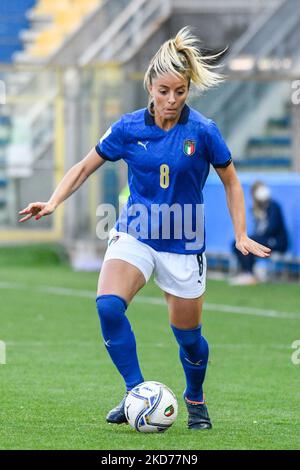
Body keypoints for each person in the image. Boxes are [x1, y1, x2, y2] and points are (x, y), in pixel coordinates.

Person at [18, 27, 271, 430]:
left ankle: (196, 398)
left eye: (181, 91)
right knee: (108, 305)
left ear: (188, 90)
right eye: (165, 91)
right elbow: (85, 166)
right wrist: (53, 201)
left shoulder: (203, 131)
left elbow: (232, 181)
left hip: (184, 243)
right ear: (150, 87)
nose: (172, 100)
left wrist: (240, 234)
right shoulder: (128, 128)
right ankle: (136, 391)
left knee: (188, 339)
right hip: (135, 232)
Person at [231, 181, 288, 285]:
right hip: (264, 239)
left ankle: (250, 274)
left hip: (277, 242)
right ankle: (248, 272)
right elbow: (258, 230)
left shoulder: (274, 206)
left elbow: (272, 227)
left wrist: (263, 218)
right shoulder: (255, 208)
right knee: (238, 243)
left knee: (249, 243)